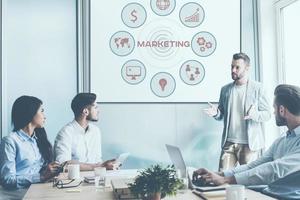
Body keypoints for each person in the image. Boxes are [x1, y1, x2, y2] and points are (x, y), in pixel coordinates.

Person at [195, 84, 300, 186]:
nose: (273, 113)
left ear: (282, 110)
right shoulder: (281, 141)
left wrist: (225, 180)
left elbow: (276, 169)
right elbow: (254, 166)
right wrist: (219, 175)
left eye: (274, 109)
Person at [203, 53, 271, 170]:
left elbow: (268, 114)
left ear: (247, 68)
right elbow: (221, 115)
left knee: (249, 179)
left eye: (237, 67)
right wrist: (216, 114)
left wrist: (254, 115)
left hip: (249, 144)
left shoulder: (259, 88)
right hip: (228, 142)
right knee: (222, 177)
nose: (233, 70)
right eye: (232, 66)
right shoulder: (225, 89)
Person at [0, 96, 60, 189]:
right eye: (42, 111)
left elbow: (37, 172)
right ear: (30, 113)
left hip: (37, 191)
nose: (45, 116)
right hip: (18, 195)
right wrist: (41, 177)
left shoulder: (38, 139)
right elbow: (7, 180)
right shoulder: (10, 141)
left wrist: (49, 172)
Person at [54, 93, 116, 171]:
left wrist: (108, 166)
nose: (98, 111)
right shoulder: (65, 133)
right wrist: (99, 166)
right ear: (86, 111)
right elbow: (63, 164)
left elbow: (98, 160)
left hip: (95, 178)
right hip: (73, 180)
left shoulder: (95, 131)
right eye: (96, 107)